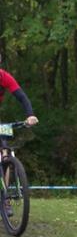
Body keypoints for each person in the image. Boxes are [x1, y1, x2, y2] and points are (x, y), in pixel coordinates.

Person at [0, 56, 39, 215]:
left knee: (4, 153)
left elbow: (22, 97)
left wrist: (30, 115)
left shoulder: (4, 77)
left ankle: (5, 198)